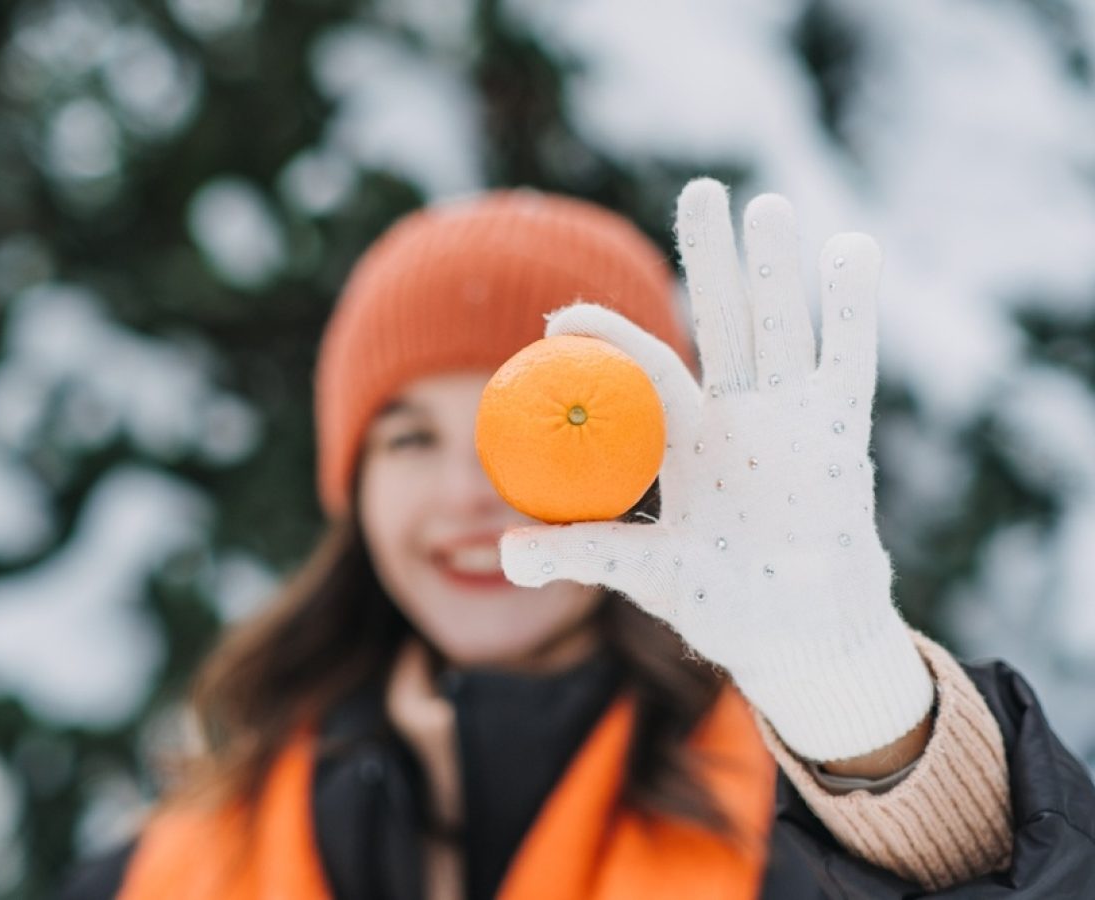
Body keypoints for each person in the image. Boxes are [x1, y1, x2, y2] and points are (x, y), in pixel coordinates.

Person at [60, 180, 1095, 900]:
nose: (468, 489)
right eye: (410, 437)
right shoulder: (172, 866)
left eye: (519, 428)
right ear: (354, 485)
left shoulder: (790, 829)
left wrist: (863, 720)